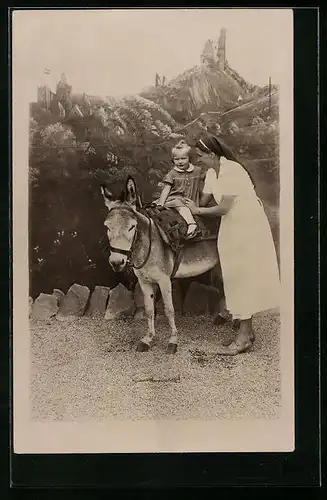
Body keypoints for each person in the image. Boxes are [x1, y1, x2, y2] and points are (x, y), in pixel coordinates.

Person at [185, 134, 280, 355]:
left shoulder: (232, 170)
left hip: (247, 225)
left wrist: (197, 211)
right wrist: (184, 203)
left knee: (242, 275)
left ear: (211, 153)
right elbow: (204, 200)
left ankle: (243, 338)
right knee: (234, 274)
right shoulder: (211, 172)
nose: (197, 160)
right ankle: (247, 332)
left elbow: (223, 208)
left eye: (200, 156)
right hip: (232, 225)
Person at [155, 140, 204, 239]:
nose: (180, 161)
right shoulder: (172, 174)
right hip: (175, 199)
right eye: (176, 159)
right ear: (173, 160)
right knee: (177, 203)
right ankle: (190, 224)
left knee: (184, 205)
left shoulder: (197, 171)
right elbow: (166, 189)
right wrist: (160, 203)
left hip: (190, 200)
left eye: (183, 158)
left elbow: (207, 180)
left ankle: (193, 225)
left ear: (189, 158)